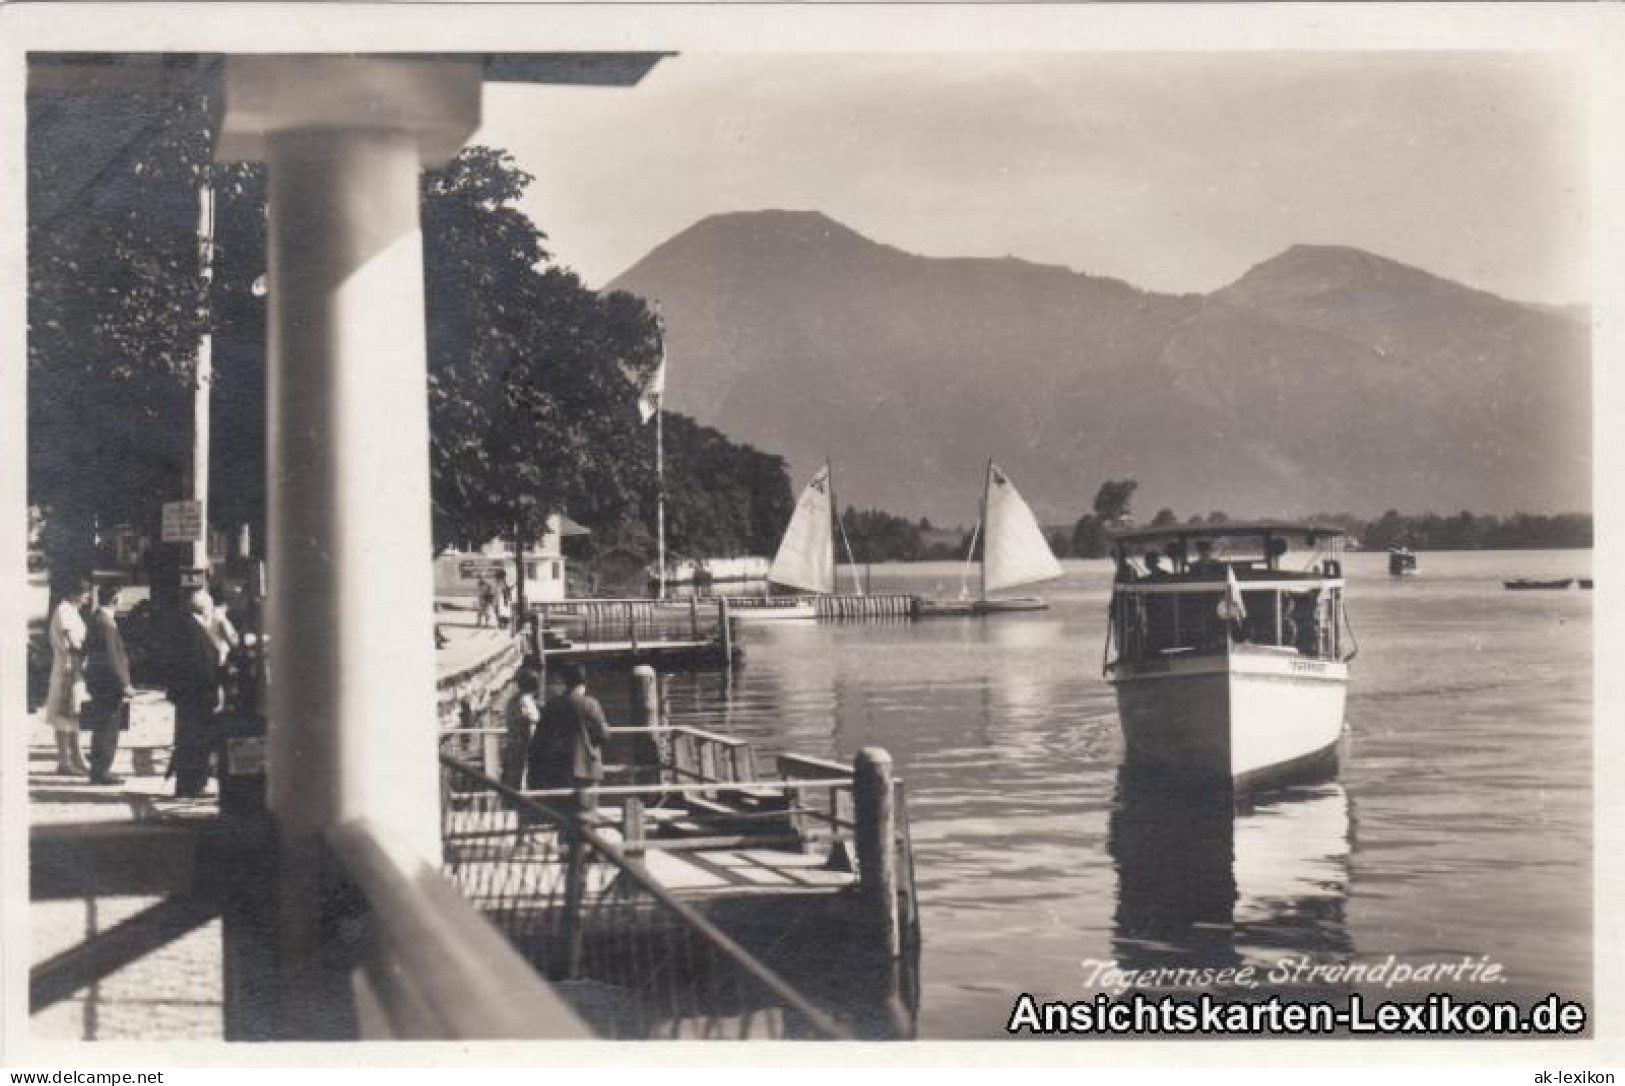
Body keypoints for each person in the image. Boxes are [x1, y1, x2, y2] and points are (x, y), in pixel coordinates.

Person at [526, 663, 610, 821]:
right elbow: (603, 734)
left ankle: (566, 843)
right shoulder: (590, 704)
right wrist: (592, 744)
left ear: (565, 682)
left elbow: (541, 737)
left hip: (558, 766)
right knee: (587, 815)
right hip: (585, 767)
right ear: (584, 682)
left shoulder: (552, 705)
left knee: (563, 815)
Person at [168, 588, 223, 798]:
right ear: (204, 608)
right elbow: (194, 665)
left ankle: (192, 782)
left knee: (192, 739)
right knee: (193, 739)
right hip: (196, 695)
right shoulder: (191, 629)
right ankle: (190, 784)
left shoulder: (190, 626)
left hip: (193, 695)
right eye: (210, 607)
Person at [81, 584, 135, 785]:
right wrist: (124, 684)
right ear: (114, 600)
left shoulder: (97, 619)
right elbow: (112, 658)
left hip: (99, 682)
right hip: (108, 684)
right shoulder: (106, 623)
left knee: (102, 725)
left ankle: (98, 769)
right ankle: (101, 771)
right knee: (108, 727)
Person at [44, 576, 92, 775]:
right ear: (75, 593)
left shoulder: (71, 611)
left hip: (74, 670)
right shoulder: (64, 611)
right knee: (64, 715)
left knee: (74, 715)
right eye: (85, 595)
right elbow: (74, 643)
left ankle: (77, 757)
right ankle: (64, 761)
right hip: (67, 670)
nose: (87, 599)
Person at [502, 668, 542, 790]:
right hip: (524, 747)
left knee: (514, 778)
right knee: (524, 779)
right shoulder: (526, 702)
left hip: (513, 745)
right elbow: (530, 726)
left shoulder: (512, 701)